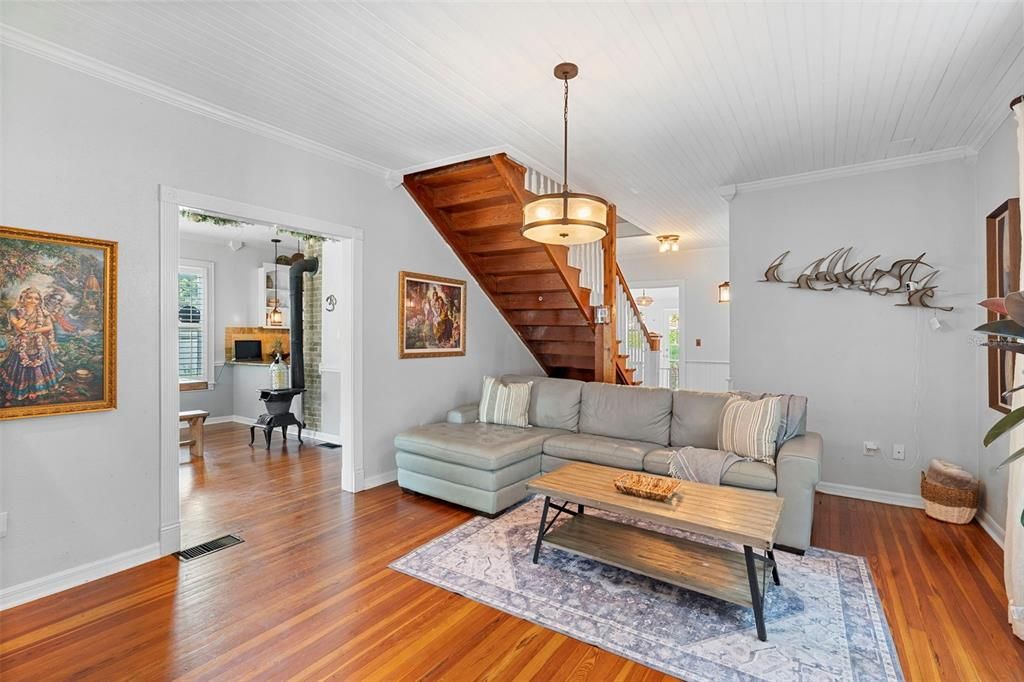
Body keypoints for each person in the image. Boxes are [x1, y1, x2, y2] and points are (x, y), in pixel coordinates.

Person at [0, 287, 65, 403]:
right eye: (29, 298)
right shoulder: (14, 312)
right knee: (19, 366)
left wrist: (35, 331)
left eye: (36, 299)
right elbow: (18, 326)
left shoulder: (43, 312)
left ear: (39, 301)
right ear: (23, 298)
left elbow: (49, 327)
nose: (32, 301)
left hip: (39, 342)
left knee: (38, 367)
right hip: (21, 343)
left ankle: (34, 389)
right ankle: (14, 389)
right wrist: (28, 312)